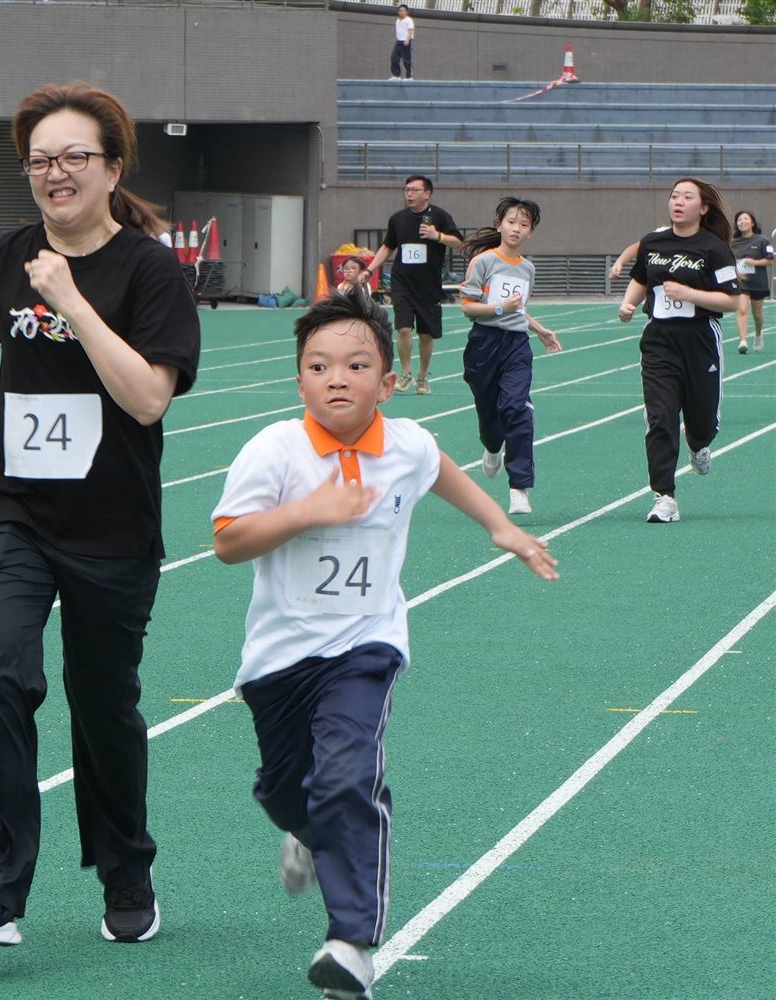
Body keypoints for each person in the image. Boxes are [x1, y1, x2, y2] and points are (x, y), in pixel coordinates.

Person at [210, 289, 559, 1000]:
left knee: (347, 777)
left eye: (356, 365)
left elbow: (442, 471)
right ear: (299, 380)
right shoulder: (274, 450)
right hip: (279, 659)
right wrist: (309, 510)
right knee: (285, 791)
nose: (336, 379)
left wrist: (500, 526)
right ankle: (307, 830)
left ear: (388, 382)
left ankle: (351, 943)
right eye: (318, 366)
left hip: (366, 647)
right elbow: (229, 542)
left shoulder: (406, 445)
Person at [0, 81, 201, 950]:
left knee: (103, 705)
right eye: (41, 159)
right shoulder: (4, 256)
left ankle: (126, 867)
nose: (56, 172)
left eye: (75, 156)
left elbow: (148, 398)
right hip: (11, 507)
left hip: (111, 522)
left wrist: (72, 301)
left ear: (112, 169)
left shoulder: (150, 271)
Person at [617, 177, 740, 524]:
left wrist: (689, 294)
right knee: (660, 417)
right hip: (659, 341)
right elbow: (641, 279)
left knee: (702, 423)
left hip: (700, 340)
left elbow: (731, 301)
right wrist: (628, 304)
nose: (678, 202)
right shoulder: (652, 242)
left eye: (687, 197)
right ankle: (664, 497)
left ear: (703, 208)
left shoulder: (714, 248)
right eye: (674, 196)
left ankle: (698, 444)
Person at [457, 198, 562, 516]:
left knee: (517, 409)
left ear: (531, 232)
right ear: (500, 224)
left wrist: (539, 330)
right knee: (490, 418)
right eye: (512, 221)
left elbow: (520, 309)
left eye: (524, 224)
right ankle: (492, 448)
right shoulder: (483, 262)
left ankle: (519, 488)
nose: (516, 228)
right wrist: (500, 308)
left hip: (516, 346)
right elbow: (468, 307)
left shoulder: (527, 269)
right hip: (484, 344)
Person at [360, 175, 461, 395]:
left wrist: (437, 235)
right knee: (403, 328)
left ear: (427, 193)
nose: (409, 194)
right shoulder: (398, 219)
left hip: (428, 285)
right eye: (406, 190)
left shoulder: (440, 216)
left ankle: (422, 376)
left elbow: (459, 242)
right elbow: (387, 247)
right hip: (402, 282)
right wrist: (369, 269)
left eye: (414, 190)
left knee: (426, 334)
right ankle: (406, 373)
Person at [731, 211, 771, 354]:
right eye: (739, 220)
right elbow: (728, 261)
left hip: (758, 282)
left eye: (745, 219)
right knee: (742, 309)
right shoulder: (733, 243)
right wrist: (735, 272)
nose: (742, 222)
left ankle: (758, 334)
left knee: (757, 314)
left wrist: (753, 262)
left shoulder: (762, 240)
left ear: (752, 222)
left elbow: (770, 260)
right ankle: (743, 341)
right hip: (741, 282)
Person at [390, 5, 415, 81]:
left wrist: (407, 40)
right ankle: (396, 75)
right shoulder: (398, 20)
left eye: (403, 10)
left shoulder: (409, 20)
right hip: (398, 42)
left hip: (405, 41)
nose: (401, 12)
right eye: (400, 10)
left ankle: (409, 76)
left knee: (406, 60)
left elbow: (410, 30)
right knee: (394, 58)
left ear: (406, 12)